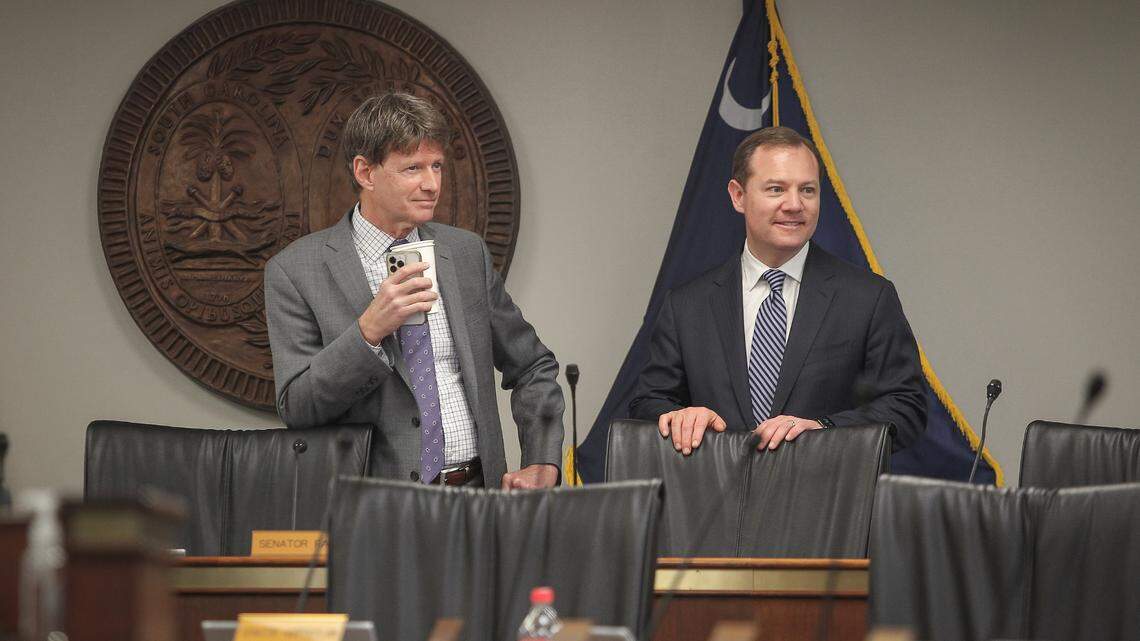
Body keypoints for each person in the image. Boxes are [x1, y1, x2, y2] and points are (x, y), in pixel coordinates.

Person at [265, 92, 563, 488]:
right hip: (374, 508)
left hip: (478, 493)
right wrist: (368, 332)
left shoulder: (465, 252)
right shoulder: (294, 270)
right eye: (412, 168)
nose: (431, 184)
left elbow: (532, 365)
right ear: (365, 172)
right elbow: (298, 407)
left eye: (437, 166)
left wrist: (543, 460)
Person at [629, 126, 925, 455]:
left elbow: (906, 406)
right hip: (715, 498)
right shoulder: (687, 305)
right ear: (738, 196)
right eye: (776, 189)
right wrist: (682, 417)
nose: (795, 204)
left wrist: (824, 429)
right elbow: (648, 401)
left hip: (826, 498)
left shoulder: (868, 297)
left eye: (808, 190)